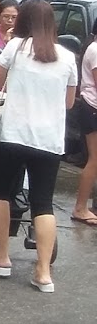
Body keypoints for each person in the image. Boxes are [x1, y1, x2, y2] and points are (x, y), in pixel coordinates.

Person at [0, 0, 77, 292]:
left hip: (13, 134)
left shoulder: (16, 48)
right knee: (43, 203)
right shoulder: (67, 57)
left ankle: (1, 257)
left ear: (24, 20)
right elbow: (69, 102)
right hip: (48, 140)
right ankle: (43, 273)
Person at [74, 21, 97, 227]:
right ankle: (81, 207)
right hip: (92, 108)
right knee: (94, 159)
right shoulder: (95, 50)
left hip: (91, 107)